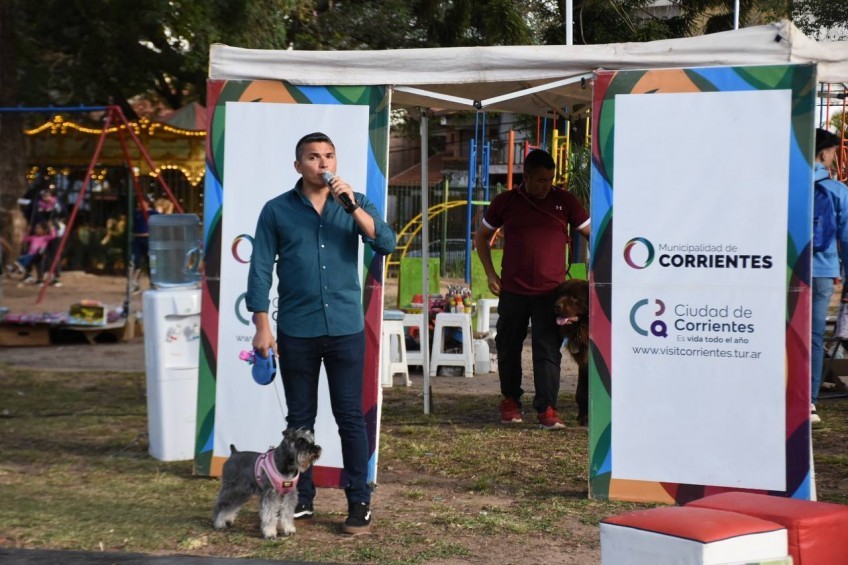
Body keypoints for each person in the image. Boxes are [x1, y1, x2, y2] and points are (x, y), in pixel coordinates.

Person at [246, 132, 396, 535]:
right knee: (300, 420)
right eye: (313, 157)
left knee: (350, 417)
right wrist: (261, 325)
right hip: (297, 330)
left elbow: (385, 243)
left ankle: (359, 500)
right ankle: (302, 499)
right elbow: (259, 268)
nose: (323, 163)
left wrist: (352, 208)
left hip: (346, 328)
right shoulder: (276, 210)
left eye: (329, 155)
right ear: (298, 165)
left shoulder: (354, 202)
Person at [474, 149, 590, 430]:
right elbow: (482, 237)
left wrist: (596, 271)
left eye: (550, 179)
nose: (546, 186)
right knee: (508, 345)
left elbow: (594, 233)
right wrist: (490, 273)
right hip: (512, 289)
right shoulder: (506, 202)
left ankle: (547, 408)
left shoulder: (565, 201)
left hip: (552, 295)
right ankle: (510, 400)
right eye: (540, 180)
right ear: (525, 177)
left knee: (547, 349)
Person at [811, 128, 848, 425]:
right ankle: (807, 401)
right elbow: (846, 238)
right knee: (812, 336)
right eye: (834, 152)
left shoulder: (785, 184)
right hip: (822, 271)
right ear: (824, 153)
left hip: (786, 270)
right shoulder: (837, 190)